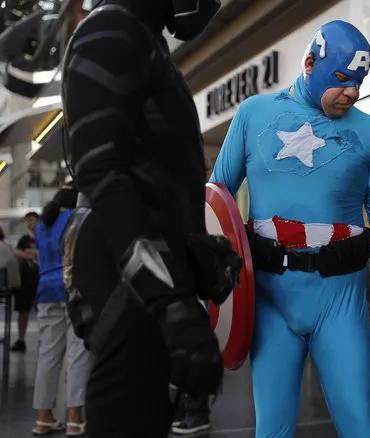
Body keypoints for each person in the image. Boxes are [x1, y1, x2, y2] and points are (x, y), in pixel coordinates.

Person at [210, 20, 370, 437]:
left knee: (361, 426)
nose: (353, 92)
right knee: (273, 429)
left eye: (359, 81)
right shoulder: (254, 115)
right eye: (342, 79)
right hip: (270, 297)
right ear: (309, 63)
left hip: (340, 298)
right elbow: (216, 202)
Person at [60, 0, 241, 437]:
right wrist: (171, 300)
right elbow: (101, 172)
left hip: (136, 277)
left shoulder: (138, 38)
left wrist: (192, 256)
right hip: (122, 276)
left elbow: (155, 180)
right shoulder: (111, 30)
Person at [31, 185, 92, 436]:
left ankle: (43, 417)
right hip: (72, 289)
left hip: (45, 291)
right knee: (78, 353)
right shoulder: (79, 217)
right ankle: (75, 418)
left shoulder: (42, 225)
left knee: (48, 355)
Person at [11, 211, 40, 352]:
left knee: (43, 311)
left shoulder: (44, 237)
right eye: (27, 221)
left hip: (41, 280)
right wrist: (29, 255)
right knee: (23, 310)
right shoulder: (24, 239)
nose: (29, 223)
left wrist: (32, 253)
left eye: (32, 220)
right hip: (26, 280)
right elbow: (16, 252)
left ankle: (45, 340)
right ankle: (21, 339)